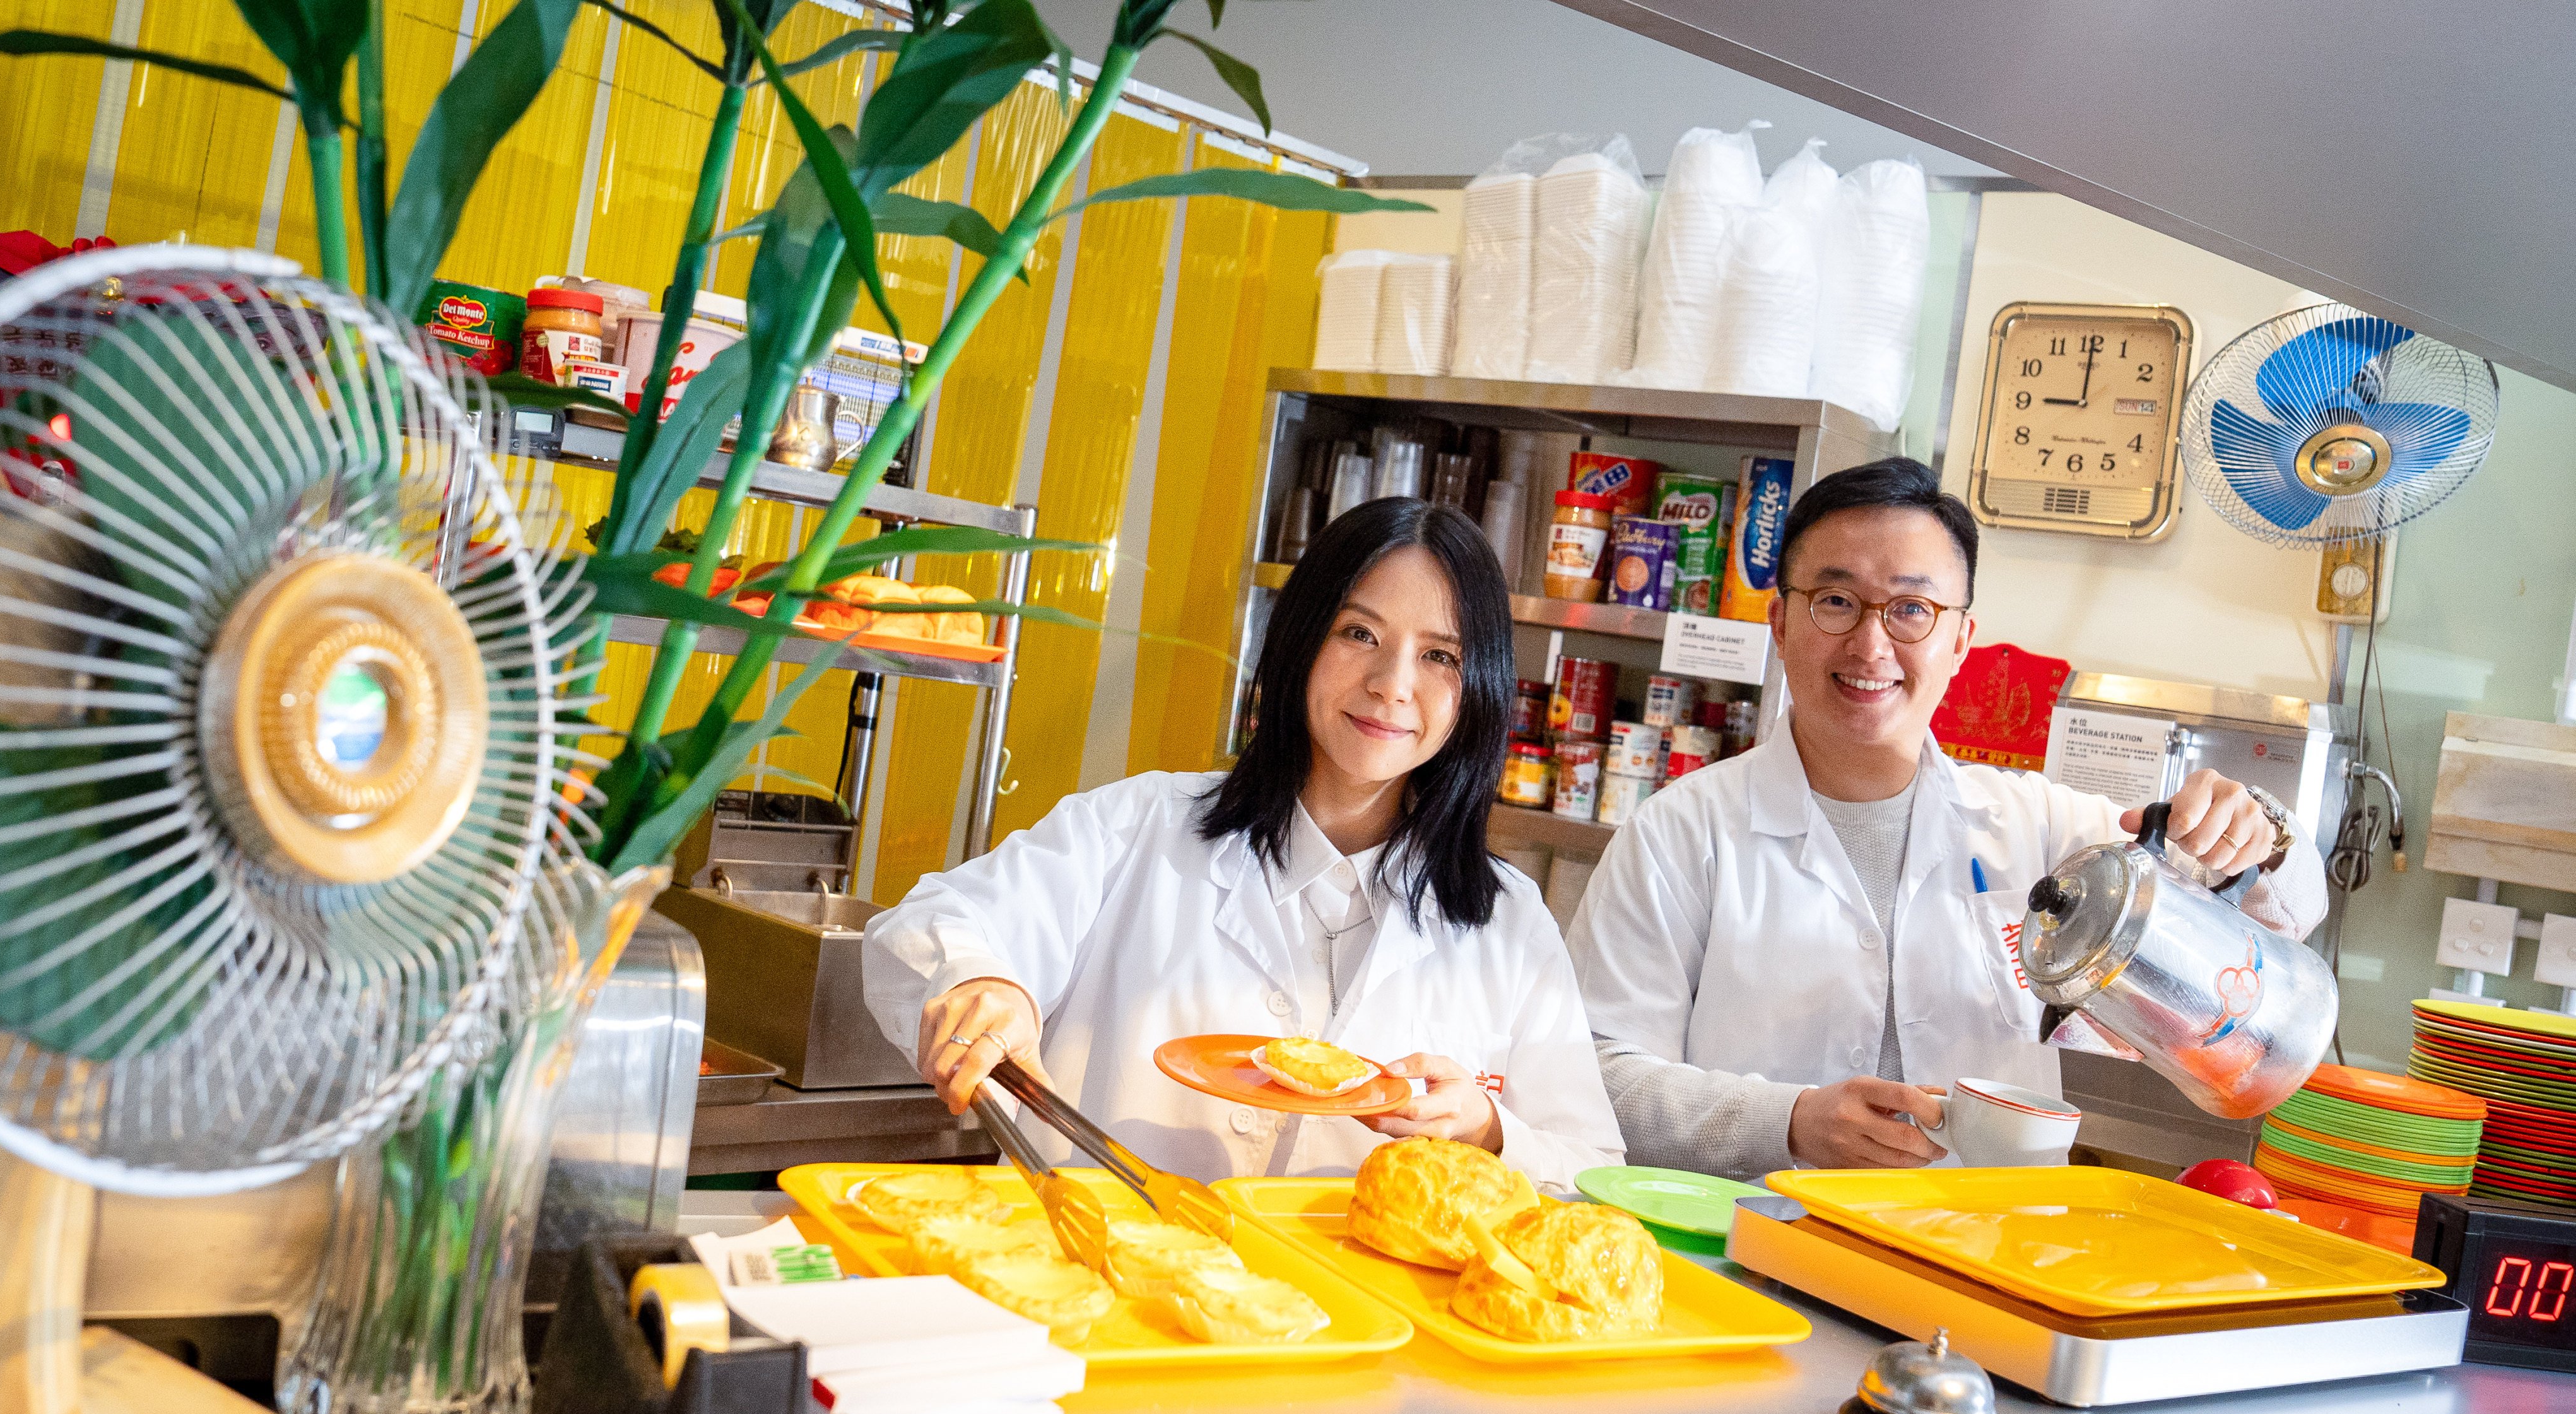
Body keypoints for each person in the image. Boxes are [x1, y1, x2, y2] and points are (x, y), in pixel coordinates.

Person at [1566, 457, 2326, 1175]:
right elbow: (1595, 1073)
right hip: (1749, 1240)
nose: (1871, 645)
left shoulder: (2042, 828)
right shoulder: (1678, 834)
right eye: (1835, 602)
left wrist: (2254, 835)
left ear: (1960, 640)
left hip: (1988, 1243)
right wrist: (1786, 1121)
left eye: (1911, 610)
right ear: (1782, 623)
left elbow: (2285, 921)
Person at [864, 496, 1623, 1193]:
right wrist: (984, 986)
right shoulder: (1138, 827)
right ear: (1300, 641)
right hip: (1090, 1272)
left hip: (1350, 1299)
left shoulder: (1509, 924)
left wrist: (1492, 1133)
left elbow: (1593, 1175)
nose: (1392, 684)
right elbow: (930, 922)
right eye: (1360, 633)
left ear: (1478, 687)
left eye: (1440, 656)